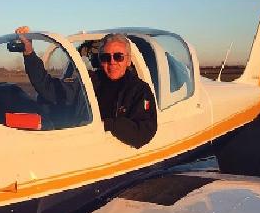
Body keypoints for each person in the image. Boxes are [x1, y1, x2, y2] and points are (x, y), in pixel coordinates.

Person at [15, 27, 157, 148]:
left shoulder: (139, 90)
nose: (112, 62)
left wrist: (108, 125)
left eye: (118, 57)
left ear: (128, 60)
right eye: (106, 57)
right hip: (82, 146)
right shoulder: (89, 82)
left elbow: (143, 133)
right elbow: (49, 88)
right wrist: (29, 53)